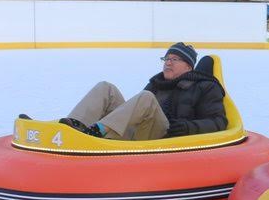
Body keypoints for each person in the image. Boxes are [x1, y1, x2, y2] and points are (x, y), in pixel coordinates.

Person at [50, 43, 227, 140]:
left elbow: (219, 122)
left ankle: (96, 132)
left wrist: (187, 127)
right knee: (106, 88)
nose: (168, 62)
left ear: (188, 66)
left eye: (175, 59)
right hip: (143, 132)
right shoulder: (157, 83)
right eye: (166, 58)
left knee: (146, 98)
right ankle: (70, 129)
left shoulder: (205, 86)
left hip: (166, 137)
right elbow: (135, 112)